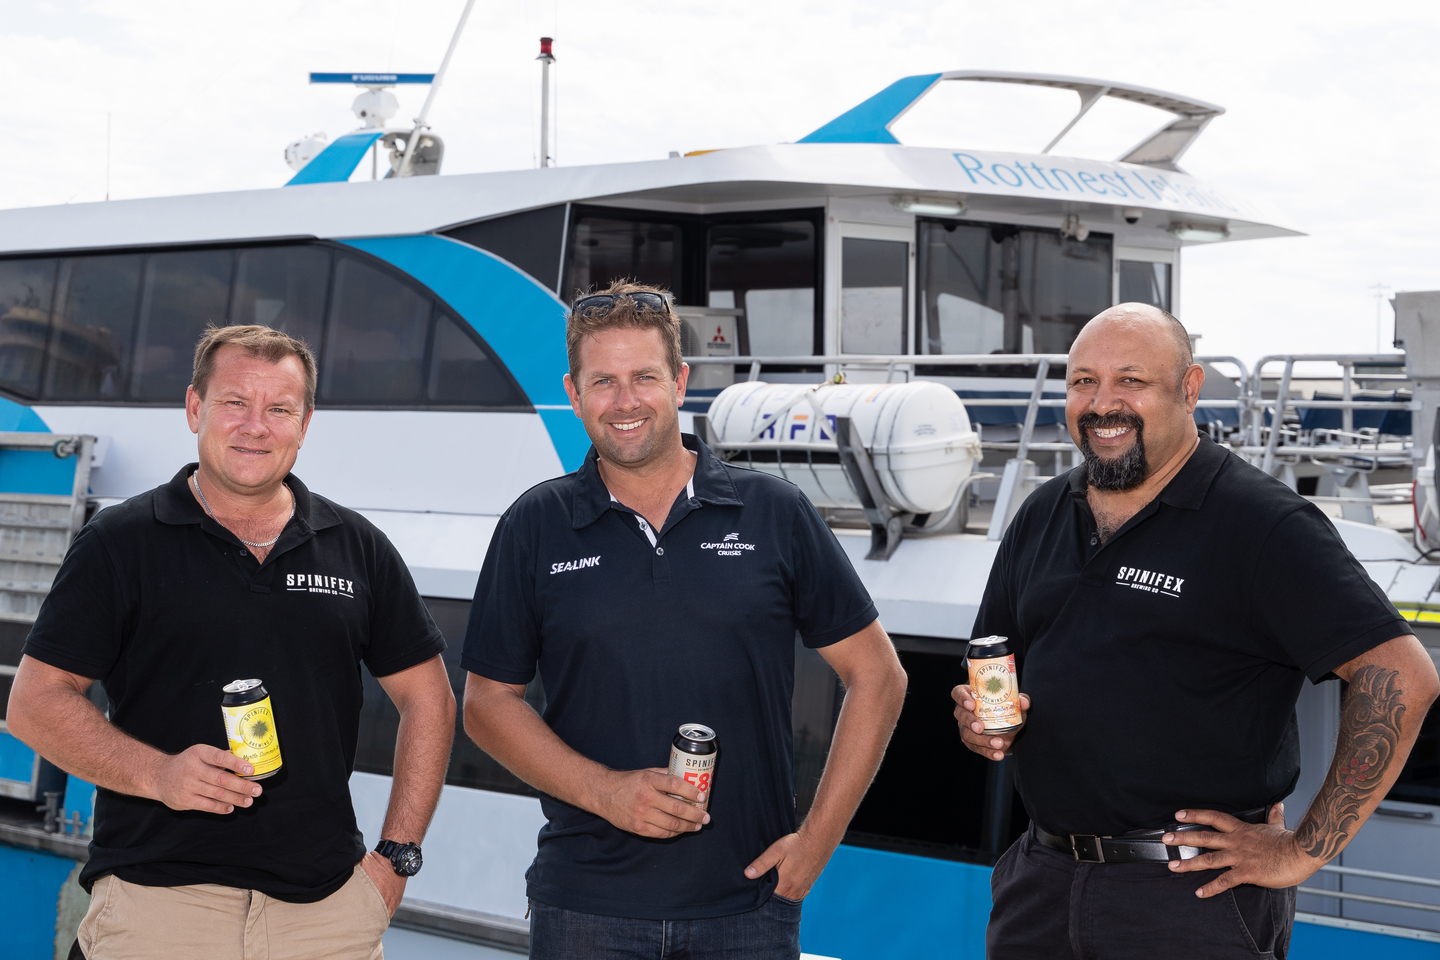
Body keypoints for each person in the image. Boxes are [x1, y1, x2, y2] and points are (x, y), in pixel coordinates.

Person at [953, 304, 1440, 959]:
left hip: (1189, 900)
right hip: (1040, 886)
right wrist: (983, 719)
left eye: (1131, 381)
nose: (1102, 404)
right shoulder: (1041, 513)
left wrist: (1302, 851)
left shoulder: (1263, 525)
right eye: (1083, 382)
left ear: (1189, 388)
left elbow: (1402, 675)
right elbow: (995, 662)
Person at [462, 282, 908, 959]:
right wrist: (607, 793)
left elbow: (878, 675)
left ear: (679, 381)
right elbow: (487, 704)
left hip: (748, 909)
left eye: (644, 377)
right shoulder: (534, 524)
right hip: (584, 908)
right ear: (574, 394)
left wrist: (818, 842)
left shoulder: (775, 512)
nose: (625, 401)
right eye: (603, 382)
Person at [8, 325, 456, 960]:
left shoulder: (359, 547)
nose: (255, 427)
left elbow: (430, 699)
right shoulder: (121, 541)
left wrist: (396, 855)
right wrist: (159, 774)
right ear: (195, 408)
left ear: (305, 424)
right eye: (235, 402)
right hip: (159, 907)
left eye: (279, 409)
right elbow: (36, 702)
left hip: (325, 915)